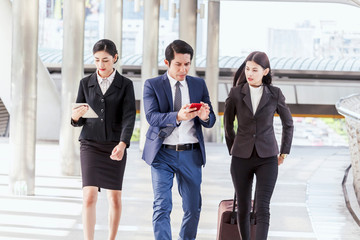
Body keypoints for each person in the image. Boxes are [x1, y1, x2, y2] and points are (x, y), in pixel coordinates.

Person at [142, 39, 216, 240]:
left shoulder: (198, 84)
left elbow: (211, 119)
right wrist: (177, 116)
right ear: (167, 63)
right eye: (178, 64)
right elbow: (152, 117)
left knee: (193, 207)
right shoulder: (152, 85)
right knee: (162, 205)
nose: (183, 69)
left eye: (187, 64)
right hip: (162, 153)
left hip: (191, 154)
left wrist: (205, 116)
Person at [224, 51, 294, 240]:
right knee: (244, 207)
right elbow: (227, 124)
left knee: (262, 207)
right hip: (241, 158)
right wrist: (233, 148)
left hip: (268, 158)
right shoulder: (236, 93)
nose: (250, 73)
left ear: (265, 71)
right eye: (247, 69)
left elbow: (288, 123)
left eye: (255, 70)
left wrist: (283, 153)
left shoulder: (275, 93)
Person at [71, 39, 136, 240]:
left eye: (106, 60)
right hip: (90, 144)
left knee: (114, 199)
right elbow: (78, 119)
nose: (101, 65)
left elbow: (129, 117)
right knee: (89, 196)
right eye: (97, 60)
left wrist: (123, 144)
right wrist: (74, 117)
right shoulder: (85, 83)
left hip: (115, 145)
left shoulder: (125, 85)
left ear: (115, 58)